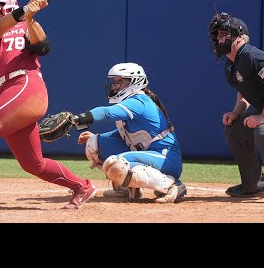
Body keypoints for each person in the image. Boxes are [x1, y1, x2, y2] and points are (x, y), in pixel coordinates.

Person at [0, 0, 97, 213]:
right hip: (9, 91)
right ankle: (82, 187)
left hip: (27, 85)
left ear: (7, 7)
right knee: (33, 164)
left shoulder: (26, 25)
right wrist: (22, 12)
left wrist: (30, 17)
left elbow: (42, 47)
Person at [69, 62, 186, 203]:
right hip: (147, 154)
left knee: (117, 163)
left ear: (134, 82)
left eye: (119, 81)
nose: (114, 85)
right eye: (114, 81)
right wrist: (95, 137)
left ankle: (172, 186)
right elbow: (125, 135)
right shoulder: (130, 102)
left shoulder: (139, 100)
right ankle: (126, 189)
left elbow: (107, 113)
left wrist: (78, 118)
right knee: (94, 144)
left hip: (166, 158)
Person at [208, 12, 264, 204]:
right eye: (218, 34)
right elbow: (245, 91)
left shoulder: (250, 55)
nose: (219, 38)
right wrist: (236, 112)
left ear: (240, 37)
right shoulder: (231, 64)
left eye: (225, 34)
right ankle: (253, 186)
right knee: (235, 127)